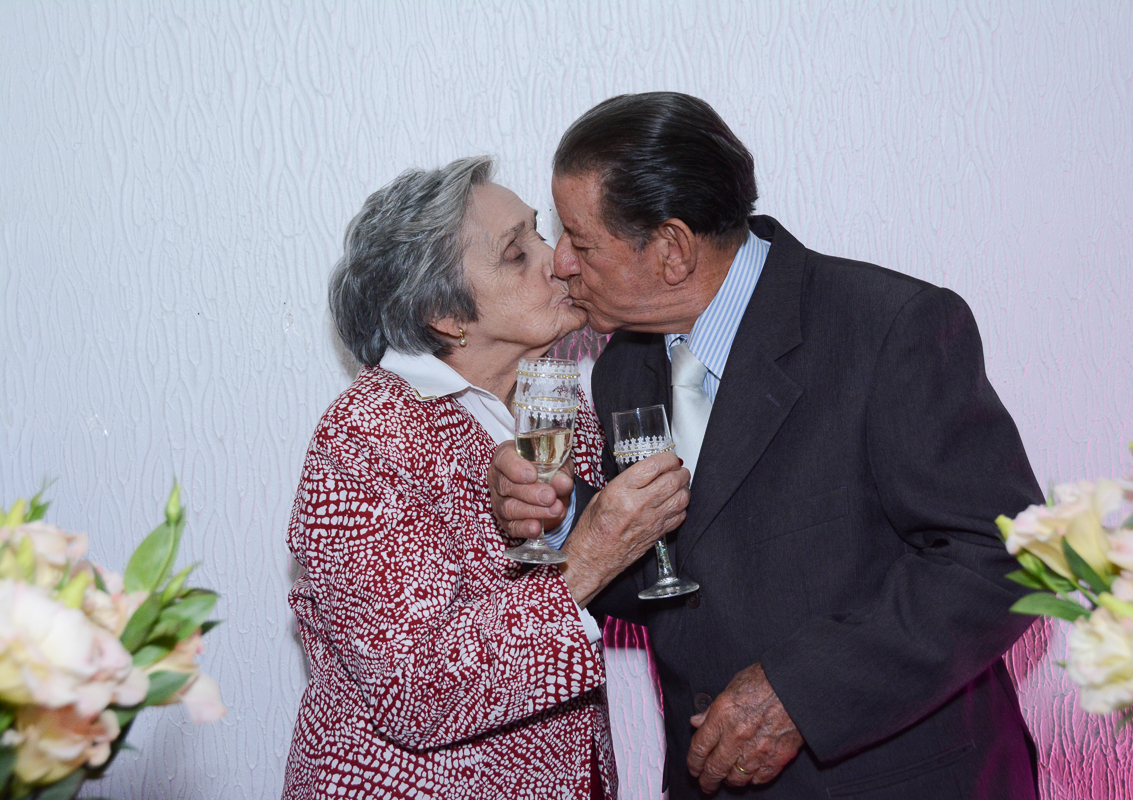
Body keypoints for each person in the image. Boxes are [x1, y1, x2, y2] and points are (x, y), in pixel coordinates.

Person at [490, 93, 1043, 798]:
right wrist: (570, 520)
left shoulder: (888, 329)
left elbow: (1004, 558)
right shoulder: (625, 365)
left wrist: (803, 694)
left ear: (672, 249)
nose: (560, 262)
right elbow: (672, 581)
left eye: (581, 240)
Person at [282, 155, 690, 800]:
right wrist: (586, 560)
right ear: (446, 315)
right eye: (514, 252)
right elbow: (416, 691)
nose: (558, 258)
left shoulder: (558, 409)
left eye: (539, 232)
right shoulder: (367, 436)